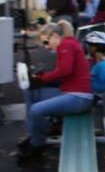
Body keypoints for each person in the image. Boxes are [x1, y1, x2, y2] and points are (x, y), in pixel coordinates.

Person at [19, 21, 92, 164]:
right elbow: (66, 74)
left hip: (78, 97)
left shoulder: (65, 45)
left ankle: (38, 144)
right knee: (31, 93)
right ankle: (34, 135)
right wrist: (42, 79)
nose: (47, 47)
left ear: (54, 35)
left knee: (35, 110)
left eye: (46, 42)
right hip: (72, 92)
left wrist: (42, 78)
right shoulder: (69, 44)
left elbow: (65, 70)